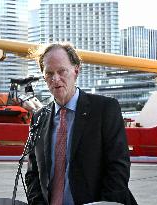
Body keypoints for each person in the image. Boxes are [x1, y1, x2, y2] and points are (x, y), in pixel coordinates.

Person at [25, 42, 138, 205]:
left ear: (76, 70)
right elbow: (33, 173)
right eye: (49, 73)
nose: (55, 79)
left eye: (61, 71)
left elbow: (118, 168)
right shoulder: (39, 118)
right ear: (44, 77)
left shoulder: (104, 109)